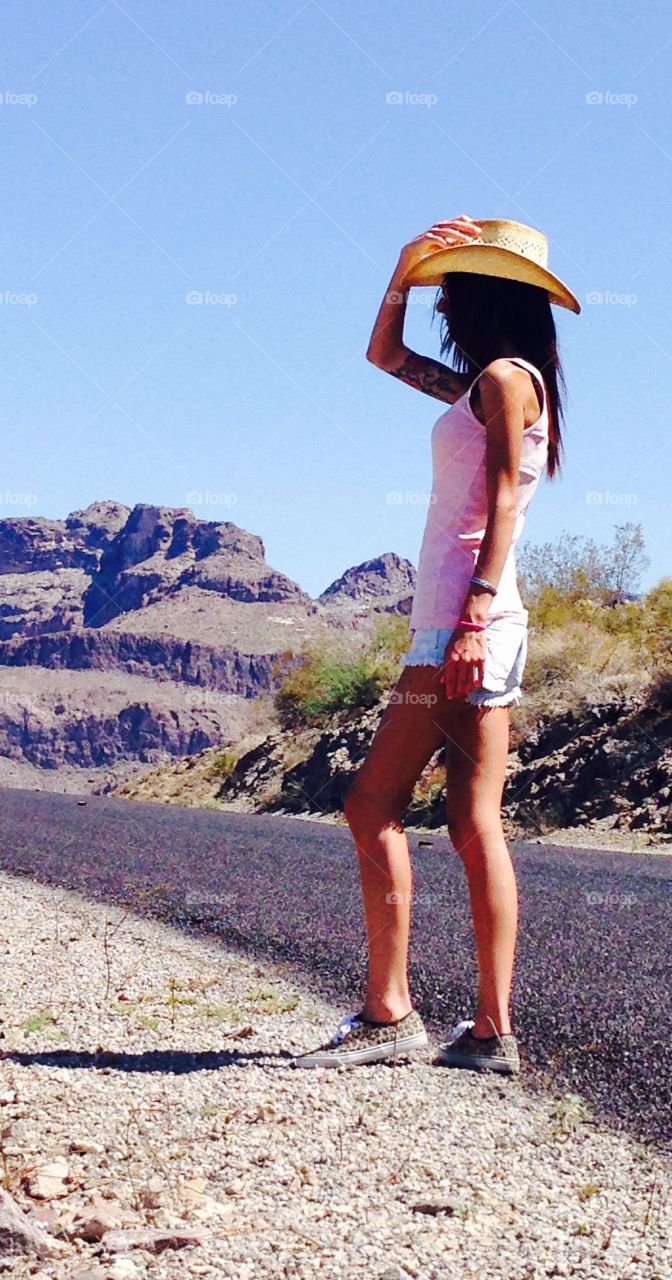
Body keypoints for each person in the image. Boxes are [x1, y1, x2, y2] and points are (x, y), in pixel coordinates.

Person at [294, 216, 580, 1075]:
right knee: (471, 821)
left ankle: (390, 1016)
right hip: (476, 621)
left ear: (484, 294)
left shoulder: (501, 379)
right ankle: (492, 1032)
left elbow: (500, 502)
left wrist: (470, 617)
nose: (443, 300)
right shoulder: (495, 382)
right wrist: (402, 270)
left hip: (463, 619)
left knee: (371, 807)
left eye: (454, 285)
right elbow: (384, 357)